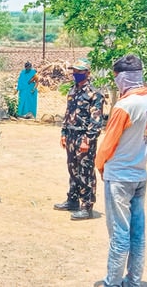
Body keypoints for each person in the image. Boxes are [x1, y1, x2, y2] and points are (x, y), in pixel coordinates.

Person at [95, 54, 147, 287]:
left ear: (123, 77)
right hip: (140, 174)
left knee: (119, 234)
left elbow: (108, 144)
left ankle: (112, 282)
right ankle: (133, 281)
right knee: (137, 234)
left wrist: (101, 166)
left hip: (120, 177)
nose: (115, 82)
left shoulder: (124, 106)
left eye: (116, 77)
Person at [54, 58, 105, 220]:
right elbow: (68, 113)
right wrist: (63, 133)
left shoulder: (94, 94)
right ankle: (73, 200)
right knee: (73, 169)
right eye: (74, 71)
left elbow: (96, 120)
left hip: (84, 137)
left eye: (79, 72)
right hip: (71, 136)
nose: (75, 74)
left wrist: (87, 140)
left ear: (87, 73)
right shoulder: (73, 91)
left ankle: (87, 206)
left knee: (86, 172)